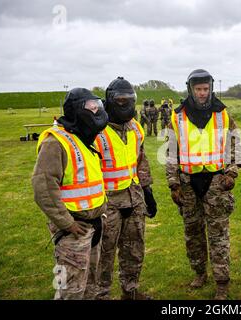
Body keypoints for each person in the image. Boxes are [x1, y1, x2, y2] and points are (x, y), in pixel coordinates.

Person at [165, 69, 241, 300]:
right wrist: (173, 183)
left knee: (218, 235)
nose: (202, 93)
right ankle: (199, 272)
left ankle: (221, 283)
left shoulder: (223, 114)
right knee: (193, 233)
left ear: (211, 88)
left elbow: (234, 143)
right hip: (188, 183)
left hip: (217, 183)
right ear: (191, 89)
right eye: (198, 89)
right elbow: (170, 152)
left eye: (206, 89)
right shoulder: (177, 117)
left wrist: (232, 172)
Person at [32, 88, 108, 299]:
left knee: (91, 285)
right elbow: (43, 188)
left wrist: (101, 212)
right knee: (70, 290)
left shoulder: (84, 138)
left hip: (93, 225)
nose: (96, 111)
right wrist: (67, 223)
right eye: (91, 107)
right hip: (73, 231)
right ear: (76, 111)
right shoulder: (55, 142)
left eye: (97, 106)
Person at [94, 77, 157, 300]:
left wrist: (147, 190)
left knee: (134, 248)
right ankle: (100, 295)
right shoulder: (95, 131)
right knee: (104, 252)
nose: (126, 104)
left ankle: (130, 291)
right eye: (121, 100)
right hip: (106, 202)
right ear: (109, 101)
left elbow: (141, 160)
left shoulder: (136, 128)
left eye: (130, 100)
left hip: (134, 197)